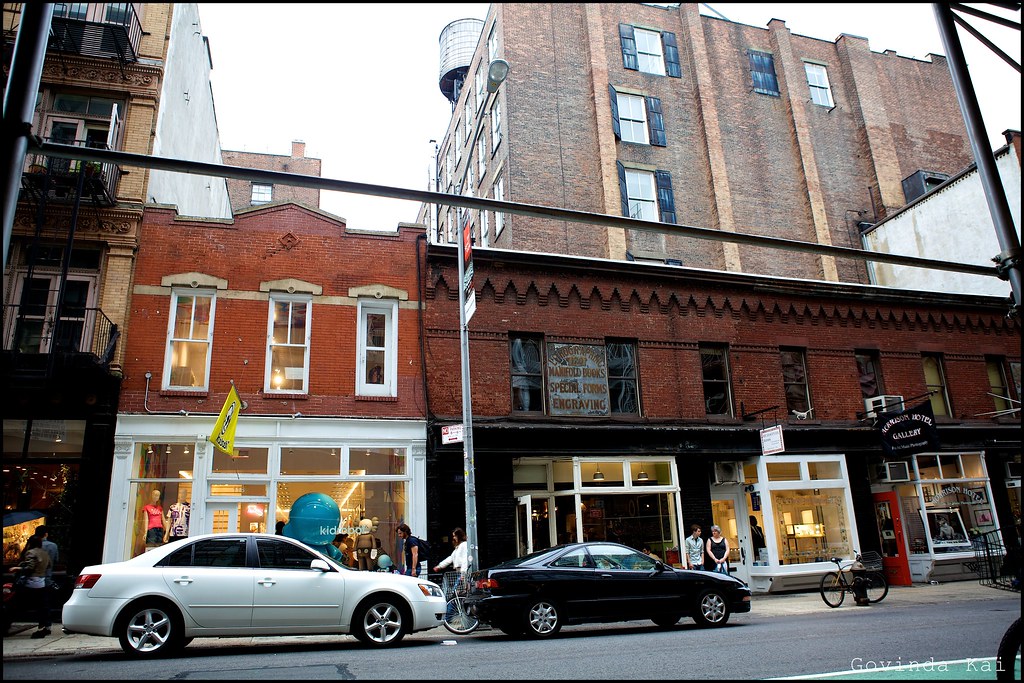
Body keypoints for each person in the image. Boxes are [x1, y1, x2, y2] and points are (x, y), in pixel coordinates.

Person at [14, 535, 51, 638]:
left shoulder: (31, 552)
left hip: (31, 582)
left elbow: (30, 567)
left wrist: (17, 568)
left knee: (16, 604)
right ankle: (45, 627)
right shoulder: (44, 553)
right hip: (41, 581)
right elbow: (49, 565)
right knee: (42, 606)